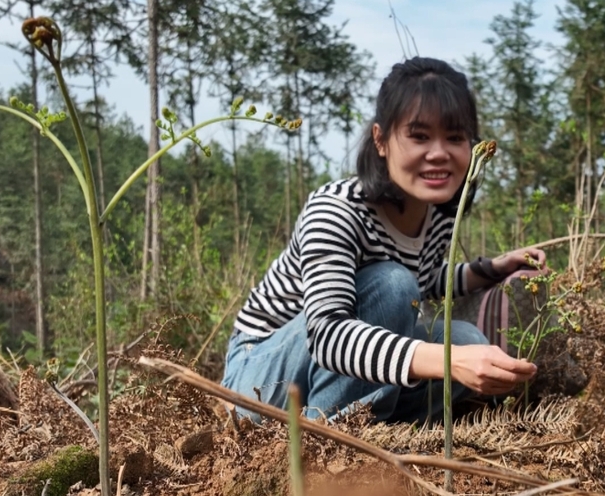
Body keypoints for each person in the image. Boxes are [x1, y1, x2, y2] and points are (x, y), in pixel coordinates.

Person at [221, 56, 545, 425]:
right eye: (419, 136)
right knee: (392, 284)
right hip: (260, 379)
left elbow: (425, 276)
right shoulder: (337, 210)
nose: (439, 153)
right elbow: (328, 336)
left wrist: (491, 268)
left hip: (336, 373)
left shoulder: (436, 213)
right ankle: (332, 445)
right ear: (381, 140)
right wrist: (447, 361)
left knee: (467, 339)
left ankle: (374, 424)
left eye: (454, 137)